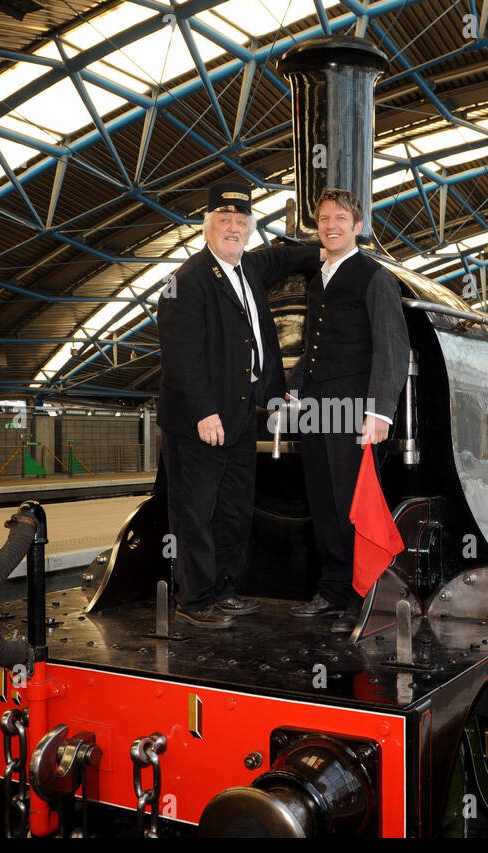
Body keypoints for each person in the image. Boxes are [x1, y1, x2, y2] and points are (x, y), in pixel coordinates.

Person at [157, 182, 320, 629]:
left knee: (232, 509)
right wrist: (203, 412)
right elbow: (181, 357)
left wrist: (328, 249)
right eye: (224, 222)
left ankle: (224, 590)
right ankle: (195, 600)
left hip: (243, 415)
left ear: (250, 230)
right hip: (202, 421)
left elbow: (287, 258)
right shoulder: (185, 282)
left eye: (241, 223)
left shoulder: (248, 268)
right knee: (196, 512)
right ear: (207, 227)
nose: (233, 229)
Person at [287, 188, 410, 633]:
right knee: (322, 501)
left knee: (350, 506)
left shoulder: (374, 277)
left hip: (355, 410)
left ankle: (362, 600)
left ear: (358, 225)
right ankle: (332, 590)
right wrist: (294, 391)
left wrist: (379, 412)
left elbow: (392, 347)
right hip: (318, 409)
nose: (331, 225)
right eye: (323, 219)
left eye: (340, 218)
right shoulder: (319, 278)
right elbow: (313, 348)